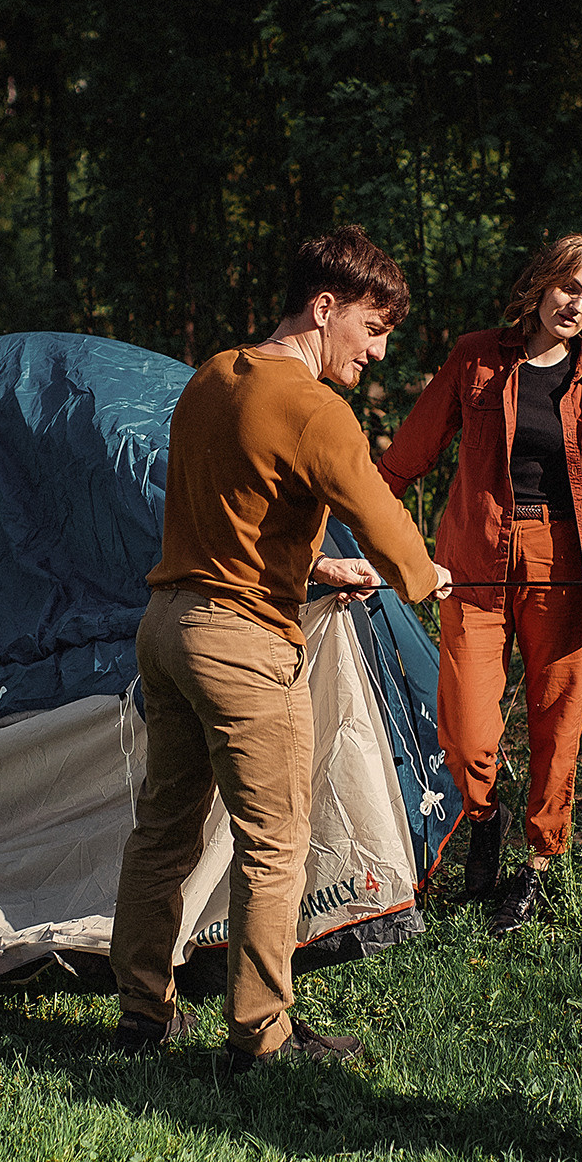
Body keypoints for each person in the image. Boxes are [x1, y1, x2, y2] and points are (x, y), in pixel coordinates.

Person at [109, 225, 453, 1074]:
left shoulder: (212, 378)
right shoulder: (312, 408)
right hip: (240, 649)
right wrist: (423, 575)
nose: (377, 351)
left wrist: (316, 564)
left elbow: (229, 507)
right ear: (323, 306)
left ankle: (142, 1013)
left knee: (164, 830)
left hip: (168, 627)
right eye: (372, 328)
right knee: (275, 844)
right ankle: (260, 1036)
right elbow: (375, 506)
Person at [376, 234, 582, 933]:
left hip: (565, 562)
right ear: (540, 285)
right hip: (477, 558)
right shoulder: (477, 356)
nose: (576, 305)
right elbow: (408, 454)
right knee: (465, 726)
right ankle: (483, 814)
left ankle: (537, 866)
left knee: (558, 718)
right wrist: (361, 518)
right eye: (566, 288)